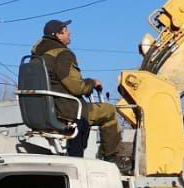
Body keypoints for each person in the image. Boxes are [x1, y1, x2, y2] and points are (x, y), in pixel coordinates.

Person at [31, 20, 125, 166]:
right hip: (67, 110)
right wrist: (93, 83)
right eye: (65, 30)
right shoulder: (63, 54)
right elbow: (77, 88)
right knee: (109, 111)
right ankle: (111, 158)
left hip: (47, 111)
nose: (69, 33)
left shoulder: (37, 57)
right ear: (58, 34)